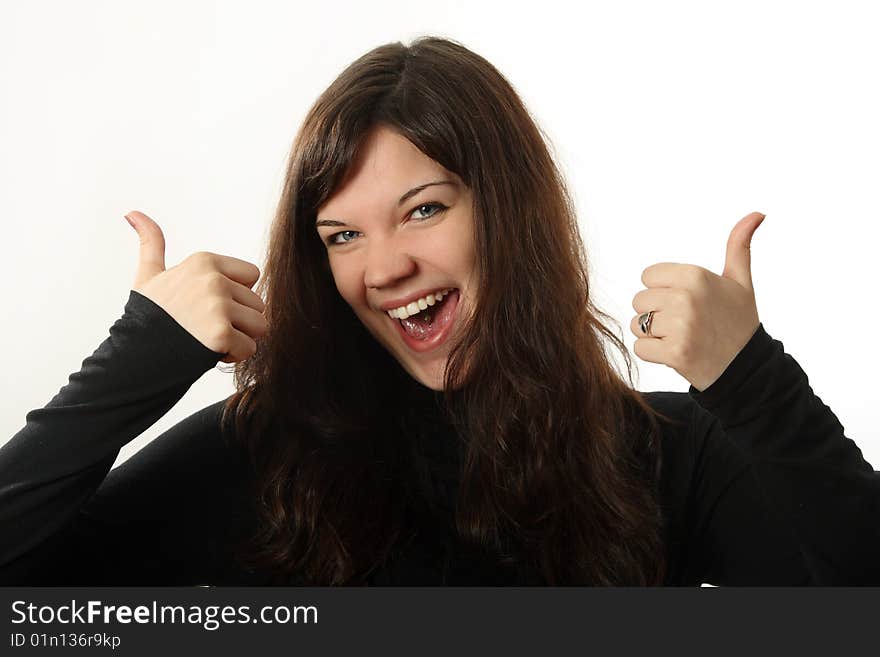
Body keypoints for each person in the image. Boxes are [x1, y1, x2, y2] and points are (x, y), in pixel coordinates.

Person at [0, 36, 877, 586]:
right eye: (342, 235)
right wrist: (135, 360)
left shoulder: (664, 454)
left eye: (424, 209)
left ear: (509, 211)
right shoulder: (262, 456)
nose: (385, 267)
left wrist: (752, 380)